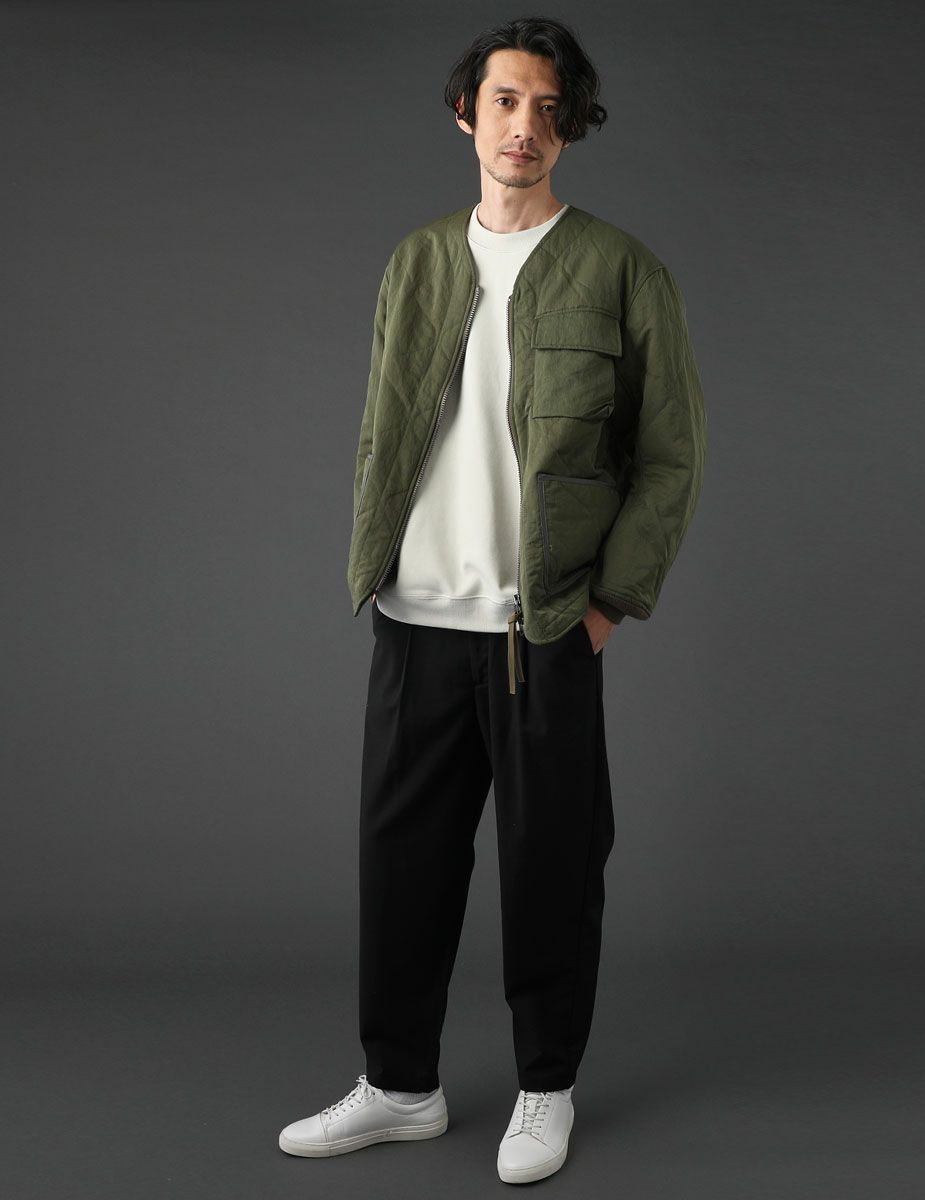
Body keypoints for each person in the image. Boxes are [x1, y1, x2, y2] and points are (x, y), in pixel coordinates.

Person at [278, 15, 707, 1185]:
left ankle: (544, 1089)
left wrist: (608, 606)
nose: (526, 126)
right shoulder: (416, 261)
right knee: (401, 868)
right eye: (506, 101)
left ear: (571, 126)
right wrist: (377, 570)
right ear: (466, 113)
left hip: (544, 629)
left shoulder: (621, 270)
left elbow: (669, 457)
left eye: (549, 107)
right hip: (415, 621)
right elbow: (384, 431)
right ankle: (398, 1087)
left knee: (551, 868)